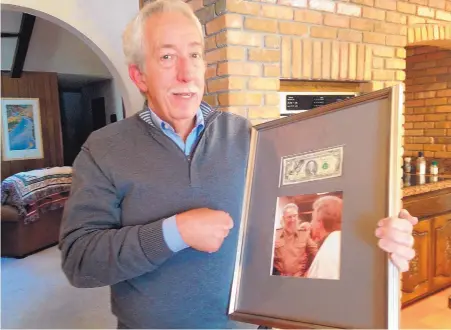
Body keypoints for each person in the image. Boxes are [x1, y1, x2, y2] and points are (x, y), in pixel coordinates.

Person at [58, 0, 418, 328]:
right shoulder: (103, 149)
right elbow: (80, 261)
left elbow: (304, 205)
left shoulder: (249, 136)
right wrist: (176, 232)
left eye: (194, 55)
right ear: (139, 76)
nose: (186, 74)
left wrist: (376, 231)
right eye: (167, 57)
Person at [273, 203, 317, 277]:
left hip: (298, 277)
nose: (293, 219)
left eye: (295, 216)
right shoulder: (275, 234)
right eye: (289, 217)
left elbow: (315, 254)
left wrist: (308, 271)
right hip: (278, 278)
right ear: (283, 218)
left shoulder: (304, 234)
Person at [306, 195, 343, 280]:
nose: (311, 224)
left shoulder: (329, 251)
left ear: (320, 223)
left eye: (312, 219)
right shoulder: (338, 242)